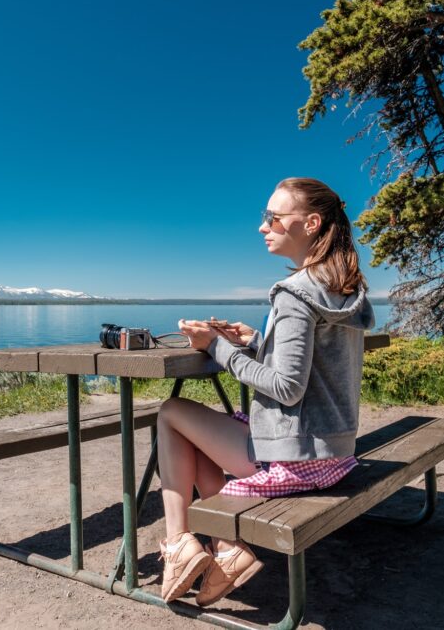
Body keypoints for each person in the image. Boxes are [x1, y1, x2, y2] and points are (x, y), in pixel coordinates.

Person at [157, 177, 375, 606]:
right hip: (334, 450)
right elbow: (315, 367)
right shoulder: (339, 286)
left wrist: (215, 347)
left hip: (297, 456)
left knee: (171, 412)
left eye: (273, 217)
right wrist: (259, 342)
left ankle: (180, 543)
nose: (263, 226)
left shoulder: (295, 294)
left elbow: (287, 388)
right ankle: (224, 549)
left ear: (311, 223)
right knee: (197, 436)